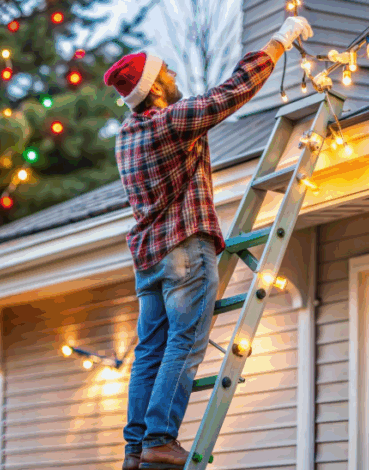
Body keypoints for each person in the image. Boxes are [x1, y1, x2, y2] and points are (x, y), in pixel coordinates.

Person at [104, 15, 313, 470]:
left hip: (148, 258)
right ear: (154, 88)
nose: (175, 76)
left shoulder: (126, 137)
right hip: (183, 248)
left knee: (149, 353)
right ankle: (160, 438)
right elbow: (231, 92)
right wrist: (279, 41)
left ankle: (135, 450)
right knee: (185, 342)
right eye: (167, 73)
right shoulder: (170, 123)